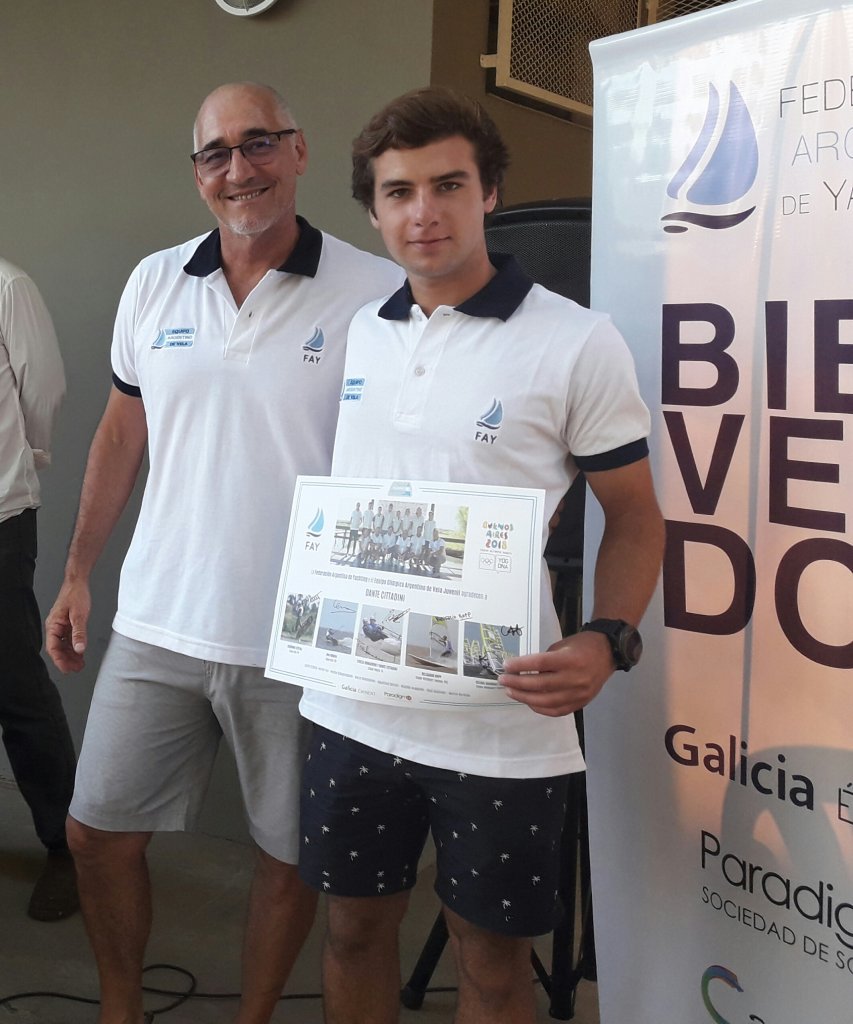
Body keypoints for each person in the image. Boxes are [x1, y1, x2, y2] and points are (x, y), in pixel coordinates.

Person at [297, 88, 665, 1024]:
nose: (423, 212)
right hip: (348, 701)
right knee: (348, 935)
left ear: (489, 192)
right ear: (374, 210)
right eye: (398, 192)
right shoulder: (357, 333)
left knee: (494, 969)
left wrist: (608, 638)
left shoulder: (578, 340)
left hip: (498, 722)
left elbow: (633, 517)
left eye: (448, 185)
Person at [44, 83, 401, 1024]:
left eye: (259, 144)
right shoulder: (155, 282)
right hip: (159, 620)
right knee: (93, 835)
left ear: (299, 151)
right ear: (197, 171)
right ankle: (123, 1009)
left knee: (289, 856)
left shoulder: (374, 291)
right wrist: (80, 569)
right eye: (216, 154)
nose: (239, 169)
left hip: (300, 636)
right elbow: (123, 434)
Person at [0, 257, 78, 921]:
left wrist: (24, 460)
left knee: (16, 692)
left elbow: (42, 393)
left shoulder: (8, 287)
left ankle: (67, 848)